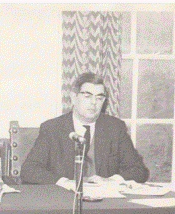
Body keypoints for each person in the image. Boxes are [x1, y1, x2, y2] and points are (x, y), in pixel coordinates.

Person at [20, 72, 149, 185]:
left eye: (99, 97)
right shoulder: (52, 128)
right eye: (87, 96)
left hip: (103, 202)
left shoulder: (115, 127)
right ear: (73, 98)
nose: (94, 102)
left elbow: (139, 170)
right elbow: (29, 170)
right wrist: (64, 182)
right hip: (66, 201)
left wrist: (112, 180)